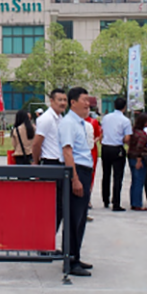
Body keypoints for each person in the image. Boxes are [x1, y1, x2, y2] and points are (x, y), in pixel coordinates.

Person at [58, 86, 94, 277]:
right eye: (85, 100)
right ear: (73, 102)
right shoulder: (68, 123)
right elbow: (67, 152)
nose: (88, 104)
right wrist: (75, 179)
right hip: (77, 172)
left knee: (80, 219)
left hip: (84, 171)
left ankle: (76, 256)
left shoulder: (79, 123)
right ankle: (70, 260)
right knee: (73, 218)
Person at [32, 89, 68, 228]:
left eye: (64, 100)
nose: (63, 103)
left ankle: (49, 242)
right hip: (50, 163)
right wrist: (36, 162)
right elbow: (36, 143)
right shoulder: (46, 119)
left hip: (60, 164)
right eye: (59, 100)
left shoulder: (60, 118)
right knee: (52, 206)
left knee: (60, 206)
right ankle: (45, 244)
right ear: (51, 101)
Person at [100, 98, 132, 211]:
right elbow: (127, 137)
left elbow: (102, 132)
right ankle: (116, 202)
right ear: (124, 107)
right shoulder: (125, 121)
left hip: (105, 147)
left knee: (106, 174)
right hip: (117, 148)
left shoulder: (106, 118)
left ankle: (105, 199)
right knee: (117, 176)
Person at [127, 113, 147, 211]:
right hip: (138, 158)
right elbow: (139, 148)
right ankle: (137, 203)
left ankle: (134, 201)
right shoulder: (142, 135)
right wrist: (139, 160)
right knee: (139, 181)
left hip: (131, 156)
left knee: (134, 181)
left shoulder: (133, 132)